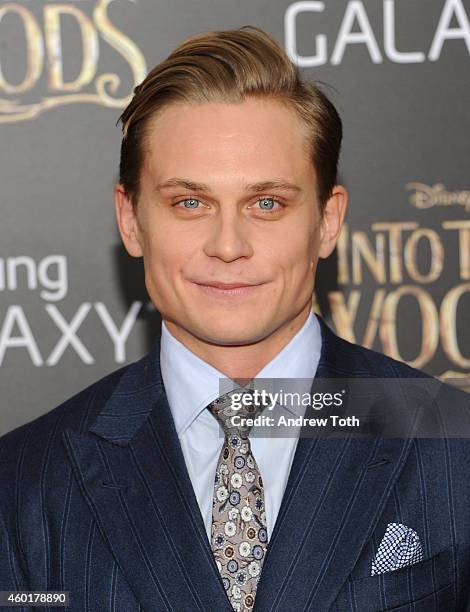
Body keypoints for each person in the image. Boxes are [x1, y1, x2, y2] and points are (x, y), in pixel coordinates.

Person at [0, 25, 469, 612]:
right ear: (131, 219)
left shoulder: (455, 446)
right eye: (189, 203)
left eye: (266, 203)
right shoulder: (22, 484)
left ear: (327, 222)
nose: (228, 245)